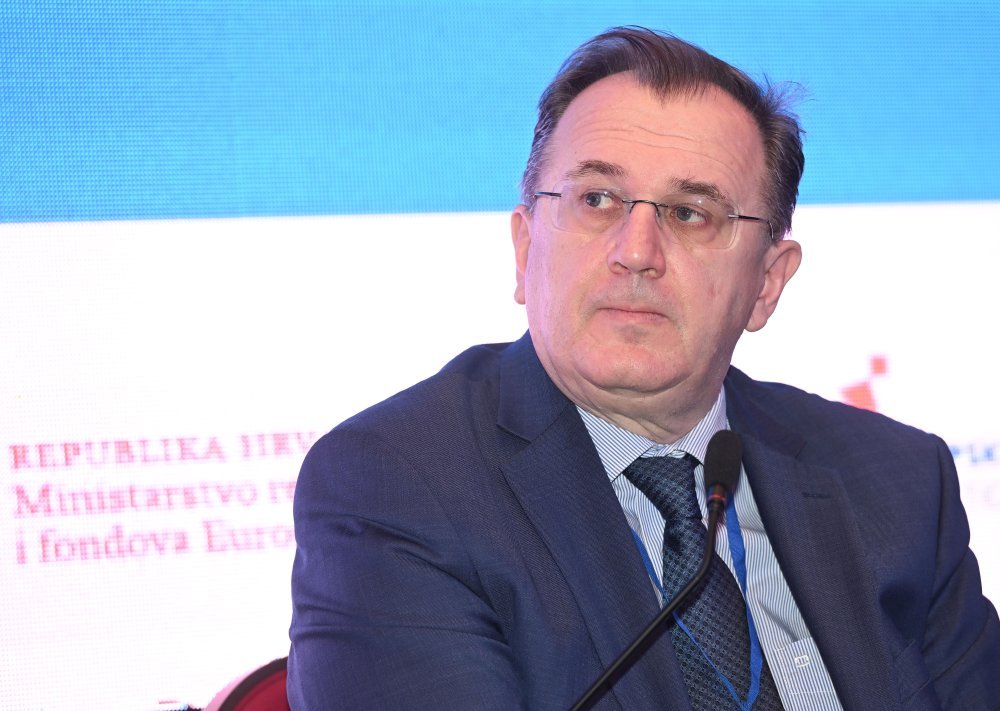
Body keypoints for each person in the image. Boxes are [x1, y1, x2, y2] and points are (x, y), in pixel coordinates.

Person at [287, 26, 1000, 710]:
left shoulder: (899, 482)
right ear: (525, 250)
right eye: (597, 200)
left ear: (767, 282)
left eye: (691, 213)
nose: (636, 252)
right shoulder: (399, 485)